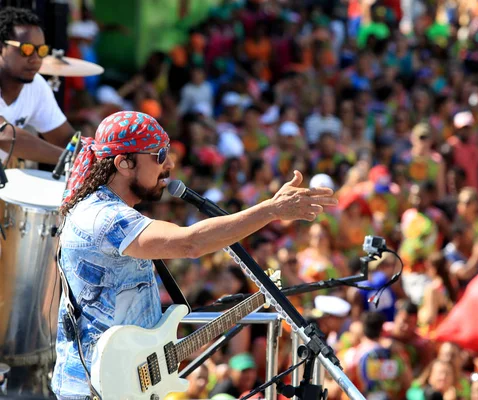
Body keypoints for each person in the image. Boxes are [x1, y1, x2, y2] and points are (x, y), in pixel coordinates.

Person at [51, 111, 337, 398]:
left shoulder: (108, 210)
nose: (170, 164)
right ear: (123, 163)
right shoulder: (104, 217)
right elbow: (190, 244)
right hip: (96, 387)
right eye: (159, 155)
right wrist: (270, 210)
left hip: (120, 381)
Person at [0, 7, 75, 164]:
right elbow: (4, 136)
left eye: (41, 50)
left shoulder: (36, 85)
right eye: (26, 49)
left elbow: (64, 137)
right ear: (2, 47)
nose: (35, 58)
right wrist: (71, 159)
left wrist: (97, 155)